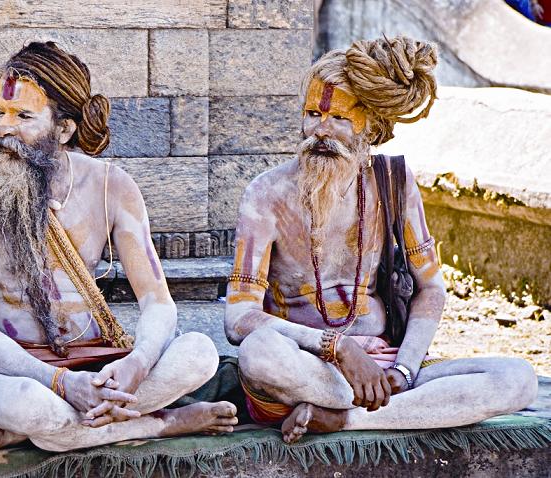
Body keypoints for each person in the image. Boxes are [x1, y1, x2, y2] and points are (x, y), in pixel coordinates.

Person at [224, 36, 537, 444]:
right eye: (313, 114)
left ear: (370, 125)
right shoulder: (266, 194)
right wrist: (337, 348)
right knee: (258, 353)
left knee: (518, 378)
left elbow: (431, 288)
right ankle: (382, 410)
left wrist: (403, 369)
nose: (320, 130)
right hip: (306, 368)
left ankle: (344, 419)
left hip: (385, 368)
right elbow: (238, 318)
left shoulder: (396, 181)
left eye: (339, 117)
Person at [0, 41, 236, 458]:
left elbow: (157, 302)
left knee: (199, 354)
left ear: (64, 130)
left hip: (94, 360)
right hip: (5, 369)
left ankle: (20, 435)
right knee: (28, 405)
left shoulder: (112, 186)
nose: (3, 128)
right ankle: (162, 423)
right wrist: (60, 383)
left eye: (23, 116)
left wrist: (137, 364)